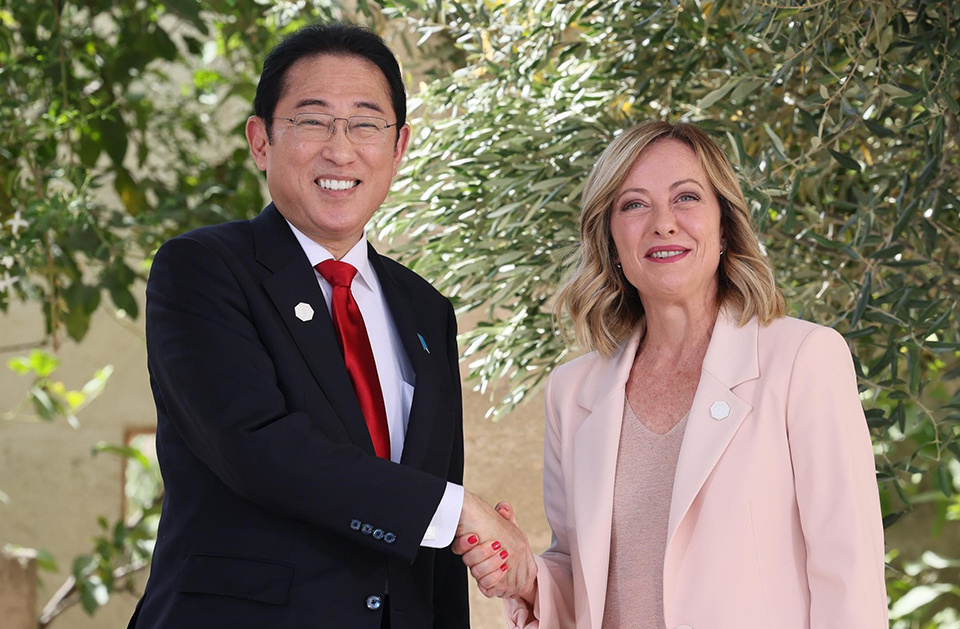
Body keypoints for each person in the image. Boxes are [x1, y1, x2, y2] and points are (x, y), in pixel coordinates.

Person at [126, 22, 505, 629]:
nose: (341, 148)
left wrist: (451, 517)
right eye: (312, 120)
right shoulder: (203, 269)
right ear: (260, 141)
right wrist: (454, 510)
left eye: (365, 123)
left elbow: (432, 524)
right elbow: (257, 448)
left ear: (399, 146)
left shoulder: (425, 308)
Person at [455, 120, 888, 628]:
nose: (663, 223)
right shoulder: (571, 393)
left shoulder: (804, 359)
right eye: (634, 204)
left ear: (725, 224)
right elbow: (582, 580)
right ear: (611, 239)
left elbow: (849, 575)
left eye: (686, 198)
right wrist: (526, 577)